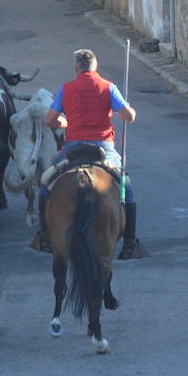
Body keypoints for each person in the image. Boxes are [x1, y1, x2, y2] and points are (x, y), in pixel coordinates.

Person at [41, 48, 141, 254]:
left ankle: (45, 237)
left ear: (76, 67)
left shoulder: (66, 88)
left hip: (73, 148)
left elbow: (49, 120)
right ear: (95, 66)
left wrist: (67, 123)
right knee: (127, 188)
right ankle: (130, 242)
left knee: (44, 183)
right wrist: (127, 110)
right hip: (104, 147)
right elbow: (129, 116)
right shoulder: (109, 87)